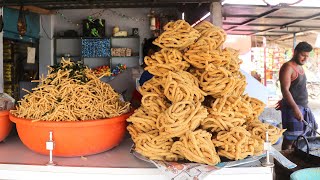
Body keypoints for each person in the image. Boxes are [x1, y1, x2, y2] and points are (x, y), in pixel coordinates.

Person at [276, 41, 318, 150]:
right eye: (302, 55)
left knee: (301, 138)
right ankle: (283, 163)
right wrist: (295, 109)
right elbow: (285, 90)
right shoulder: (288, 67)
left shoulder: (300, 67)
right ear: (295, 52)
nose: (305, 58)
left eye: (307, 56)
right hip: (293, 108)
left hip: (303, 107)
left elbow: (297, 88)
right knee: (290, 138)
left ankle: (294, 160)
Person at [130, 37, 160, 109]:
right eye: (161, 53)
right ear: (151, 53)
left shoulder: (161, 72)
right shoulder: (148, 74)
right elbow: (136, 101)